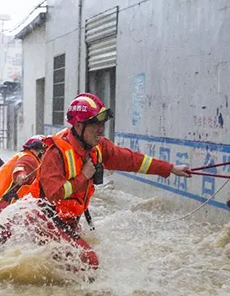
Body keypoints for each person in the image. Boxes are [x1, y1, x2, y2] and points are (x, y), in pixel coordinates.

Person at [39, 93, 191, 235]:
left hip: (66, 223)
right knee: (90, 261)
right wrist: (84, 176)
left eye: (102, 124)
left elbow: (131, 160)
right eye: (95, 125)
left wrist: (169, 168)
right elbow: (53, 194)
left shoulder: (98, 147)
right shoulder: (56, 153)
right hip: (43, 222)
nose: (101, 130)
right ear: (78, 126)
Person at [0, 136, 47, 215]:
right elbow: (20, 166)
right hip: (0, 203)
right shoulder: (30, 158)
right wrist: (20, 175)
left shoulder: (22, 155)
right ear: (40, 151)